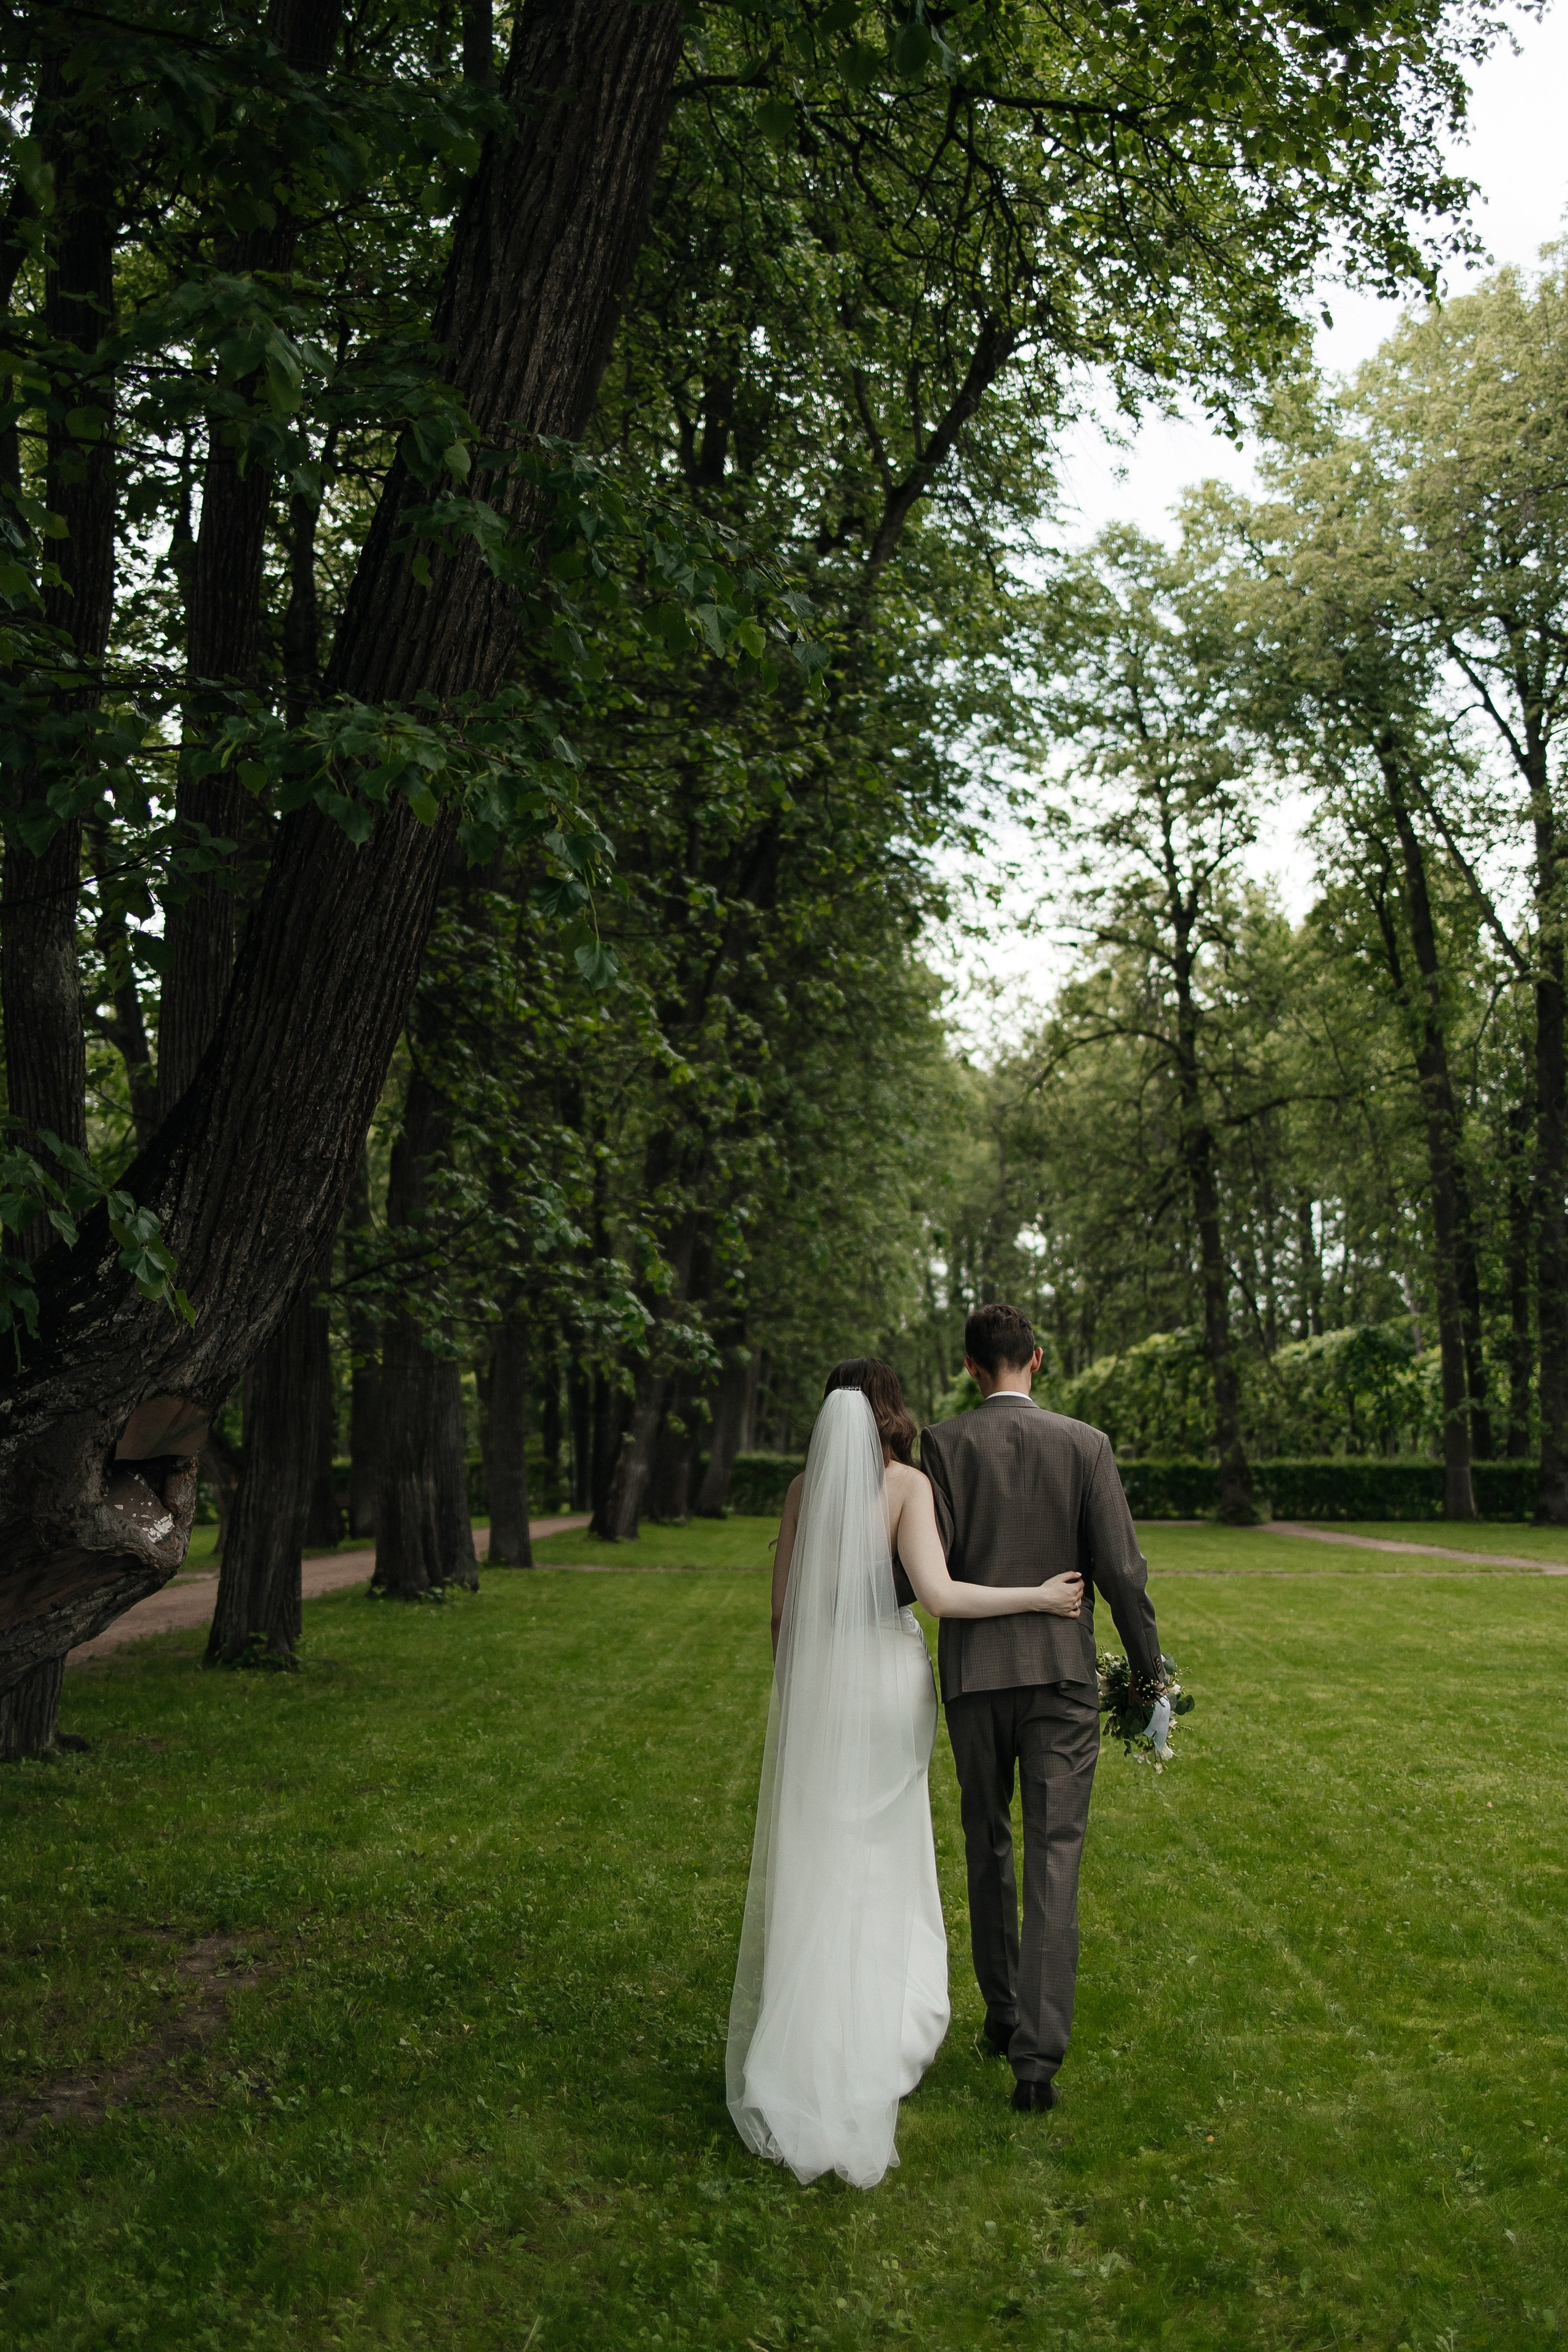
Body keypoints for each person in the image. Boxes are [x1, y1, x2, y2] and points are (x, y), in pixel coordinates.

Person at [725, 1357, 1085, 2189]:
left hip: (819, 1684)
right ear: (891, 1409)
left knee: (823, 1851)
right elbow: (940, 1595)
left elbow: (781, 1616)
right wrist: (1035, 1595)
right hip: (887, 1685)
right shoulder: (906, 1487)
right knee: (886, 1845)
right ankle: (886, 2031)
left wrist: (801, 1698)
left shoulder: (798, 1492)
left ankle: (810, 2036)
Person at [919, 1301, 1163, 2113]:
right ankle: (1037, 2064)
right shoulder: (1085, 1445)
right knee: (1054, 1855)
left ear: (968, 1368)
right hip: (1060, 1682)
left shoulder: (945, 1446)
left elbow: (936, 1570)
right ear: (1040, 1357)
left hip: (974, 1678)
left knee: (985, 1843)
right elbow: (1122, 1573)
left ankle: (1003, 2014)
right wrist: (1150, 1674)